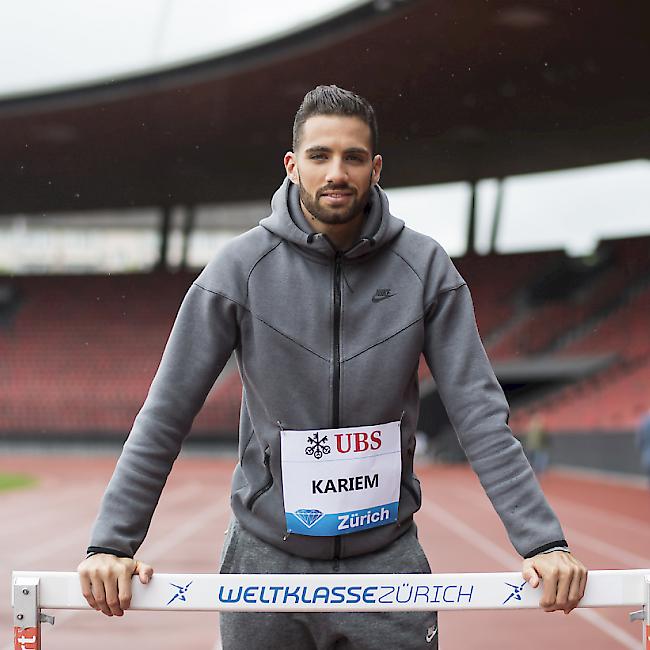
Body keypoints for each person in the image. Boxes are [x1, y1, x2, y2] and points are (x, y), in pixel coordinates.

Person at [78, 85, 587, 649]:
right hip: (265, 562)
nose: (336, 172)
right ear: (293, 166)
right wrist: (111, 545)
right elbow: (166, 413)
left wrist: (544, 544)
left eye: (352, 156)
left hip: (386, 562)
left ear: (376, 168)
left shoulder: (426, 269)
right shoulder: (238, 270)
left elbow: (480, 416)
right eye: (319, 156)